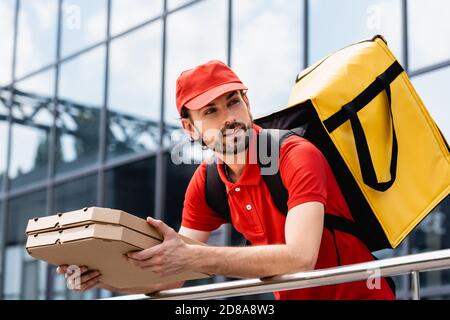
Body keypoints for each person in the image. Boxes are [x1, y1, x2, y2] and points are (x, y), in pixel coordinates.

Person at [57, 60, 396, 300]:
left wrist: (192, 257)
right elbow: (172, 279)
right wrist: (103, 277)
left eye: (233, 102)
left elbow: (300, 257)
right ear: (190, 128)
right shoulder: (207, 184)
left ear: (247, 103)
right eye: (210, 112)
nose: (229, 118)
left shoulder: (295, 155)